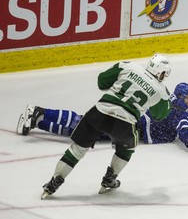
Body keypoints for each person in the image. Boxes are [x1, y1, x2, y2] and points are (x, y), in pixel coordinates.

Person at [34, 54, 172, 199]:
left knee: (78, 149)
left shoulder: (129, 66)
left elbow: (102, 81)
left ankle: (54, 182)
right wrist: (165, 105)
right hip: (124, 123)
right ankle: (109, 179)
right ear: (160, 72)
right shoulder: (161, 91)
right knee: (127, 148)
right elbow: (159, 116)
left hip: (99, 113)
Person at [16, 83, 188, 158]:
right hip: (129, 124)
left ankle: (38, 121)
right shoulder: (178, 111)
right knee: (83, 124)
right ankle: (39, 111)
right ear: (181, 96)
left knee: (83, 132)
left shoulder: (166, 100)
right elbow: (186, 130)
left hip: (129, 124)